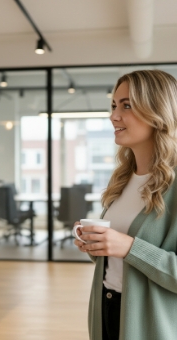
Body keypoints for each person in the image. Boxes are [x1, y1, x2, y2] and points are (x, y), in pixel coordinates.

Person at [74, 69, 177, 340]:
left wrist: (129, 247)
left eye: (127, 105)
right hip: (108, 308)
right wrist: (95, 244)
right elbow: (115, 259)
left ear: (158, 112)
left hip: (151, 326)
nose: (114, 116)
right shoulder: (123, 178)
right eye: (113, 105)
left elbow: (131, 250)